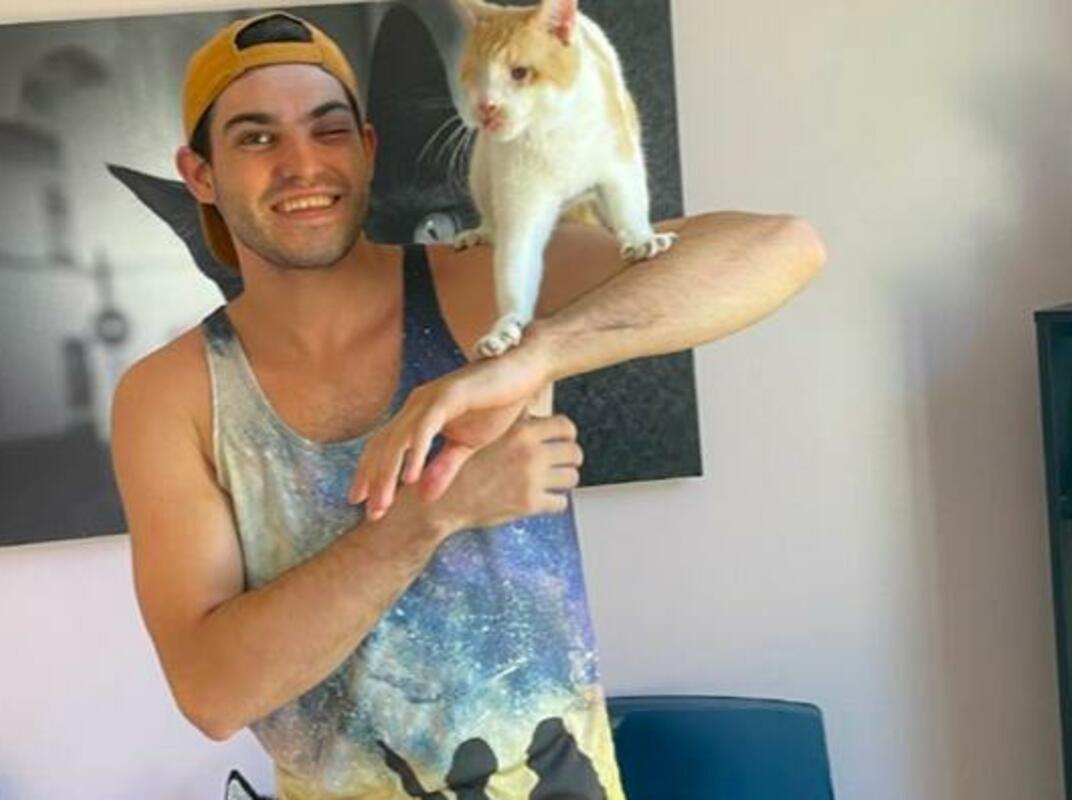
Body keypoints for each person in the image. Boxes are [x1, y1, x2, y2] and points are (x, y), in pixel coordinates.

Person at [109, 10, 825, 800]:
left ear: (368, 148)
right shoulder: (172, 395)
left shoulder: (480, 283)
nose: (303, 163)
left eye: (329, 130)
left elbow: (784, 248)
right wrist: (433, 512)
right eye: (256, 138)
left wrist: (534, 358)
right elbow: (214, 693)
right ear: (200, 174)